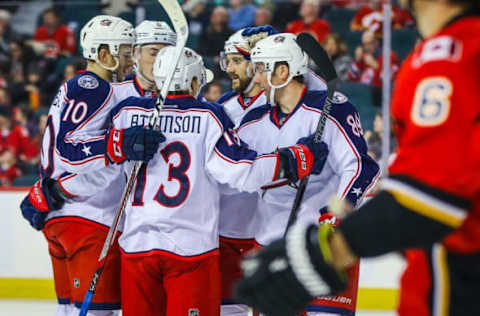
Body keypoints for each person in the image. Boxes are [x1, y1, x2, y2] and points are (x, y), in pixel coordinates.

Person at [235, 1, 480, 316]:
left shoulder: (450, 54)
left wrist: (330, 247)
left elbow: (429, 194)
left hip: (458, 279)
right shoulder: (456, 48)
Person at [55, 45, 326, 316]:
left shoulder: (126, 113)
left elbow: (102, 172)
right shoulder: (210, 116)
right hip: (191, 253)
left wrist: (57, 189)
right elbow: (242, 172)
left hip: (137, 249)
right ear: (194, 81)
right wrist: (296, 159)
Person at [19, 15, 164, 316]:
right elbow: (69, 150)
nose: (130, 63)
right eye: (125, 55)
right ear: (103, 54)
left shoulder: (96, 89)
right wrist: (119, 144)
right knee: (98, 312)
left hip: (60, 214)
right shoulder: (92, 85)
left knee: (69, 310)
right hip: (89, 216)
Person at [235, 33, 379, 315]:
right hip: (271, 247)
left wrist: (334, 216)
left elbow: (363, 168)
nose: (258, 80)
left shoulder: (333, 108)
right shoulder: (252, 122)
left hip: (322, 245)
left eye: (263, 69)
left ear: (283, 71)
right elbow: (238, 176)